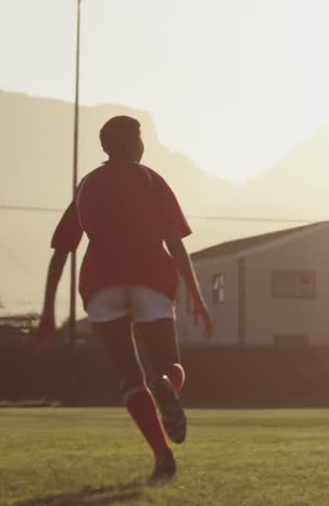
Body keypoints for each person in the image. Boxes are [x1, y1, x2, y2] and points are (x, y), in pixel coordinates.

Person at [36, 115, 213, 482]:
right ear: (135, 143)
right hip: (150, 279)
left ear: (105, 146)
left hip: (101, 285)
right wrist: (196, 296)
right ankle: (168, 388)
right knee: (170, 365)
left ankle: (162, 453)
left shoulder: (87, 184)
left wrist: (48, 310)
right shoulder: (150, 179)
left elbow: (61, 250)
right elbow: (175, 243)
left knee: (129, 377)